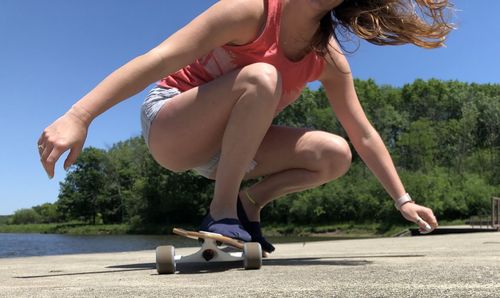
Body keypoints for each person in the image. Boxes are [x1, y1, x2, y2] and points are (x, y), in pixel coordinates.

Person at [38, 0, 453, 253]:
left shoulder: (326, 59)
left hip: (234, 151)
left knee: (335, 153)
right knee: (262, 77)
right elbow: (161, 58)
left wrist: (403, 200)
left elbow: (363, 134)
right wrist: (80, 115)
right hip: (172, 127)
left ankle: (246, 204)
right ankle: (220, 213)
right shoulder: (250, 12)